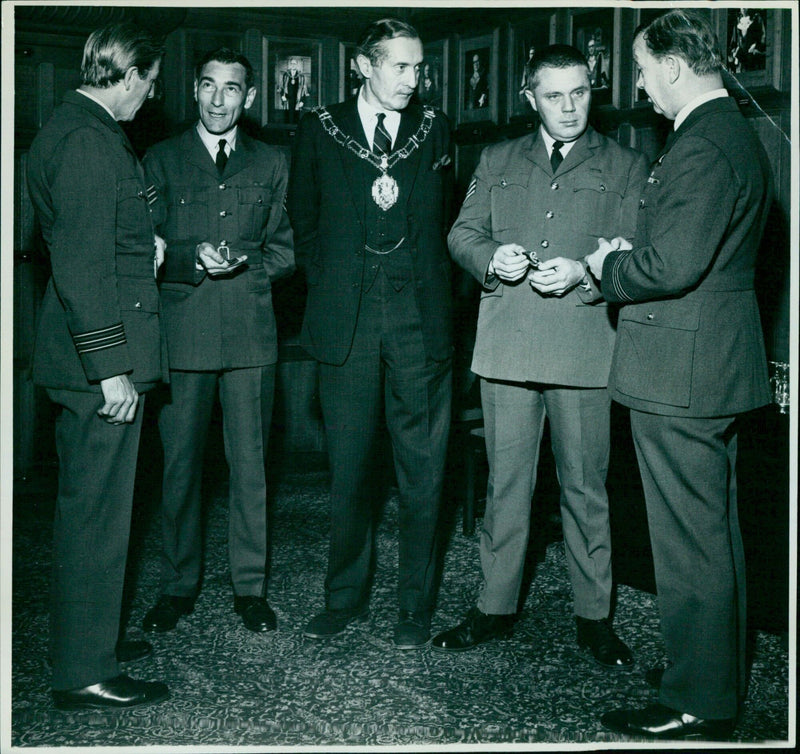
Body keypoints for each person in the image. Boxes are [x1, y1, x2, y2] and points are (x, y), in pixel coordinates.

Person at [586, 10, 773, 740]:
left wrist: (609, 267)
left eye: (639, 68)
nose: (638, 84)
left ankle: (696, 700)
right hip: (709, 364)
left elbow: (672, 266)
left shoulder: (701, 143)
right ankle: (710, 682)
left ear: (670, 65)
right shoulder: (726, 133)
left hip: (683, 372)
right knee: (711, 536)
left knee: (689, 545)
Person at [437, 45, 648, 667]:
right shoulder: (498, 157)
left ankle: (594, 616)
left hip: (585, 347)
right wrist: (490, 260)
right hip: (505, 348)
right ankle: (493, 607)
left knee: (585, 488)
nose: (568, 107)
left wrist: (586, 271)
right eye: (553, 95)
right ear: (530, 98)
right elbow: (461, 233)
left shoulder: (628, 164)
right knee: (506, 487)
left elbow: (638, 249)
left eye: (579, 93)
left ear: (593, 92)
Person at [287, 18, 453, 650]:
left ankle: (415, 606)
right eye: (400, 67)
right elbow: (302, 219)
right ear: (364, 66)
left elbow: (444, 215)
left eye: (419, 68)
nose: (414, 80)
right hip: (347, 324)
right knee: (351, 470)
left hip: (419, 323)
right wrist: (332, 281)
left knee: (422, 473)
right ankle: (343, 598)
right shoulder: (319, 129)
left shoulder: (434, 128)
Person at [26, 22, 169, 709]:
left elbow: (99, 240)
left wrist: (148, 247)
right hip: (98, 362)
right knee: (96, 515)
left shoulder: (75, 128)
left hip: (86, 351)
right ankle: (84, 670)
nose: (152, 93)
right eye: (150, 79)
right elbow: (82, 266)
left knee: (98, 508)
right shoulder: (87, 140)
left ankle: (95, 639)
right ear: (127, 72)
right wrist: (112, 368)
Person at [140, 47, 294, 635]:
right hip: (183, 336)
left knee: (250, 468)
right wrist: (190, 258)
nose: (219, 99)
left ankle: (249, 587)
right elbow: (142, 251)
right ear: (195, 91)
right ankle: (179, 585)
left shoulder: (271, 162)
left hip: (252, 339)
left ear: (249, 98)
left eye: (233, 89)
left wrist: (246, 262)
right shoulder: (160, 160)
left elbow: (285, 249)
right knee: (179, 467)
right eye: (209, 86)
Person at [280, 57, 308, 123]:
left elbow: (304, 89)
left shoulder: (301, 76)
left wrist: (302, 101)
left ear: (297, 65)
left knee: (296, 118)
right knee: (286, 117)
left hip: (297, 99)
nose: (293, 65)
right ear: (290, 64)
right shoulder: (286, 75)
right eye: (292, 63)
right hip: (287, 98)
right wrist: (282, 96)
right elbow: (282, 86)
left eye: (294, 63)